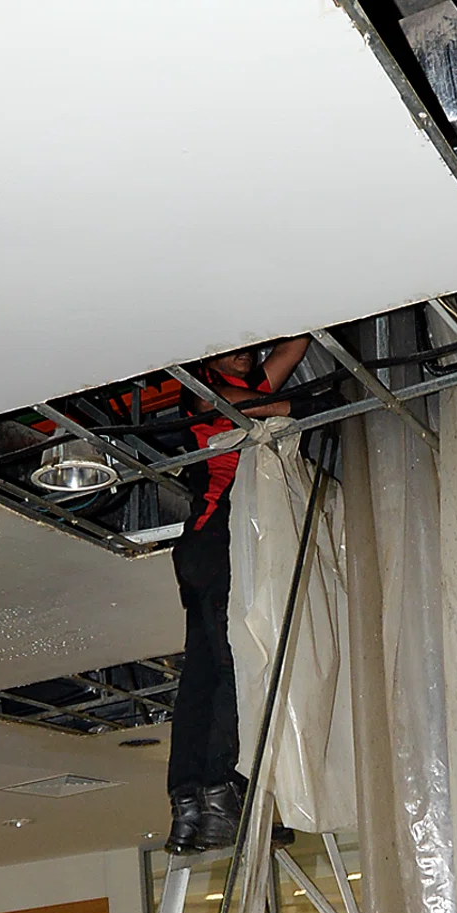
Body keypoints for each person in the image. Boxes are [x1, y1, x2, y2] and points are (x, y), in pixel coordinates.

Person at [165, 335, 311, 856]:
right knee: (233, 665)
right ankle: (222, 791)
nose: (245, 354)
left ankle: (190, 807)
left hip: (206, 546)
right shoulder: (203, 390)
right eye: (231, 348)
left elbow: (297, 345)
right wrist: (299, 405)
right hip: (218, 537)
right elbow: (253, 405)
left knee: (204, 672)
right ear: (207, 357)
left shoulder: (244, 386)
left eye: (250, 348)